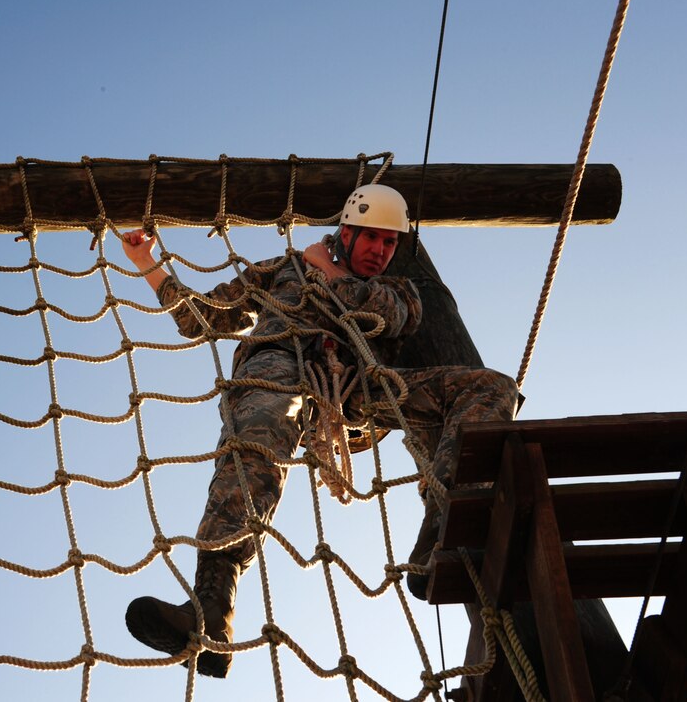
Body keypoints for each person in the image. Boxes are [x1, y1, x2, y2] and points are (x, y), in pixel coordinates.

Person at [121, 184, 518, 678]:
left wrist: (325, 271)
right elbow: (204, 317)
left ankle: (444, 526)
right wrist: (146, 264)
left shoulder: (402, 290)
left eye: (389, 244)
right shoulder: (282, 269)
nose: (380, 251)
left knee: (491, 387)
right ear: (345, 232)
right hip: (280, 362)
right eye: (370, 239)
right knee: (259, 437)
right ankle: (211, 609)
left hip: (356, 388)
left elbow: (385, 315)